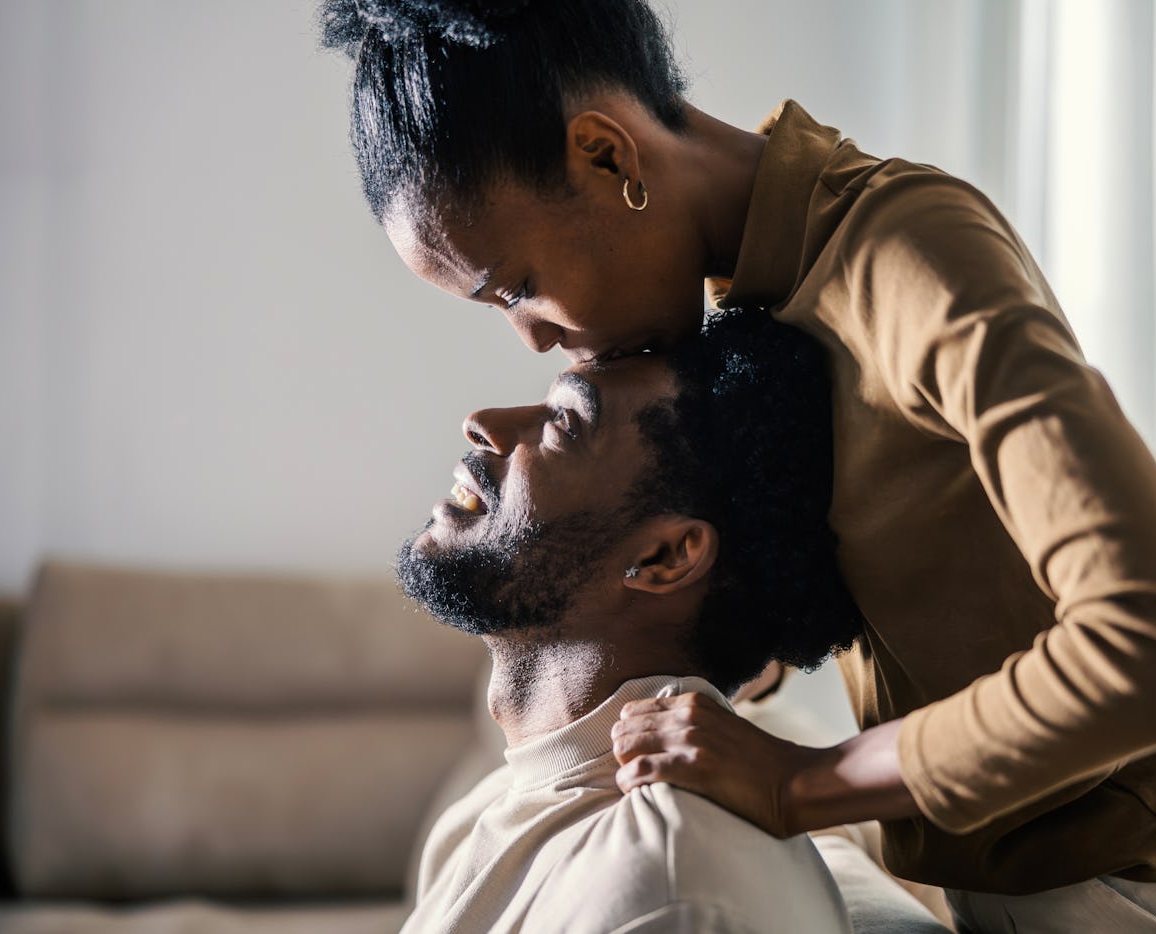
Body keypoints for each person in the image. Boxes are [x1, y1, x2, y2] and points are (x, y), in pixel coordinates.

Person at [322, 1, 1156, 928]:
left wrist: (805, 782)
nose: (534, 340)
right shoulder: (744, 298)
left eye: (514, 287)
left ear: (606, 156)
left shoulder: (909, 257)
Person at [395, 310, 947, 932]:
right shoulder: (494, 803)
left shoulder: (661, 892)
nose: (483, 422)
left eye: (566, 424)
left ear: (664, 557)